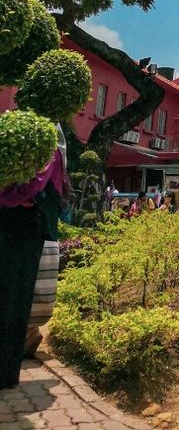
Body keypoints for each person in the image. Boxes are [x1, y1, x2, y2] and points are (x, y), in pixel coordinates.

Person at [0, 146, 65, 388]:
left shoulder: (49, 146)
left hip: (28, 226)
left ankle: (6, 372)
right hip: (10, 220)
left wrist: (5, 196)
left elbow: (36, 185)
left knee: (16, 298)